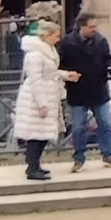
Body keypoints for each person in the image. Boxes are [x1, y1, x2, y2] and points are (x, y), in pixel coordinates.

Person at [13, 19, 77, 181]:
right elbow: (36, 81)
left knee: (42, 134)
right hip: (36, 99)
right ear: (46, 36)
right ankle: (32, 167)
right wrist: (41, 104)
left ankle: (35, 165)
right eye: (55, 36)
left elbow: (50, 72)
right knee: (36, 135)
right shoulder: (35, 55)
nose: (58, 39)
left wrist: (66, 75)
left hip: (48, 94)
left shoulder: (47, 51)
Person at [58, 11, 111, 171]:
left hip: (99, 90)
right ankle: (79, 159)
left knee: (105, 124)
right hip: (78, 91)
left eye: (95, 26)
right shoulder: (67, 43)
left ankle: (108, 155)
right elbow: (60, 64)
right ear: (81, 27)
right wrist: (67, 76)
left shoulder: (100, 41)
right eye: (91, 27)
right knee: (78, 127)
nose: (94, 29)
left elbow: (108, 58)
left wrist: (110, 69)